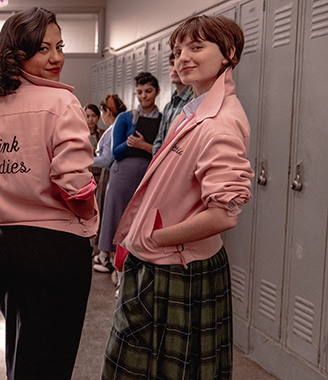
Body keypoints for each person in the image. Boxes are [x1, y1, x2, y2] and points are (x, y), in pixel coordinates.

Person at [101, 15, 253, 379]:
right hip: (161, 260)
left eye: (196, 47)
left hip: (174, 266)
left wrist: (155, 238)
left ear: (229, 53)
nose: (182, 57)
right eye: (177, 50)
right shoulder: (193, 111)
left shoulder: (218, 123)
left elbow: (225, 214)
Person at [0, 7, 98, 380]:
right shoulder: (62, 103)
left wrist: (5, 198)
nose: (56, 58)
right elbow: (75, 185)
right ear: (17, 55)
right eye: (42, 49)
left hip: (1, 246)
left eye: (60, 46)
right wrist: (89, 217)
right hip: (54, 249)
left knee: (22, 358)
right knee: (49, 363)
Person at [97, 73, 160, 279]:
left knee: (140, 223)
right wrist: (131, 143)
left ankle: (136, 269)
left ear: (157, 92)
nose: (144, 96)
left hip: (147, 175)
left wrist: (143, 145)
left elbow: (164, 151)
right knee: (118, 220)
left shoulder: (163, 119)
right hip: (122, 175)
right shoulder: (125, 118)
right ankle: (117, 268)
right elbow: (116, 152)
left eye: (148, 91)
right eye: (139, 92)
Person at [91, 95, 125, 268]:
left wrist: (86, 160)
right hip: (109, 175)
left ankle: (108, 257)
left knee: (108, 214)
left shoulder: (113, 130)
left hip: (111, 175)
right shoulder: (114, 127)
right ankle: (104, 253)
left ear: (106, 111)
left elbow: (106, 159)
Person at [152, 52, 194, 155]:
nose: (175, 69)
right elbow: (159, 140)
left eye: (180, 63)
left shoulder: (194, 102)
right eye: (172, 64)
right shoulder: (168, 107)